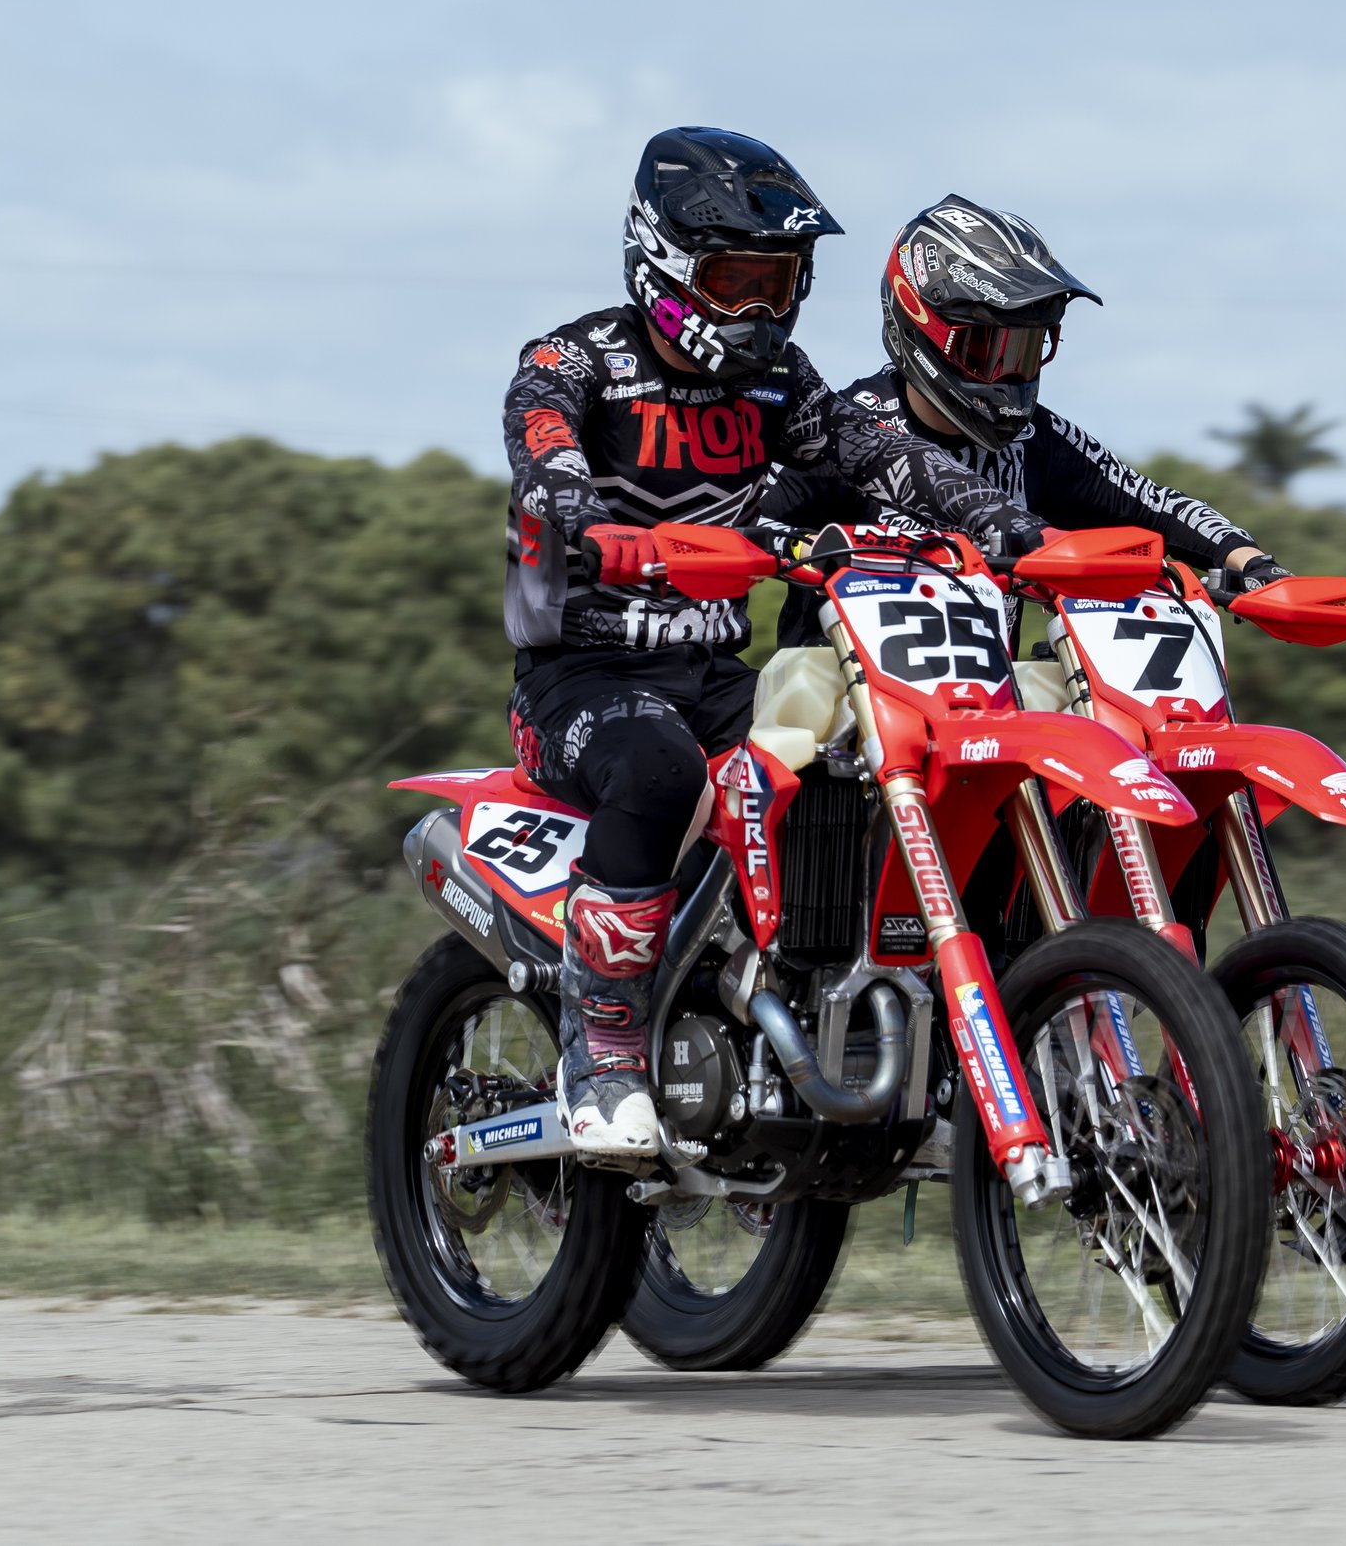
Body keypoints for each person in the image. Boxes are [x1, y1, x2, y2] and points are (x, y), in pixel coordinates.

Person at [504, 133, 1046, 1158]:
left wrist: (1005, 525)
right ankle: (603, 1047)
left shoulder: (781, 383)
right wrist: (591, 523)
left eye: (779, 282)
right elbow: (545, 463)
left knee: (847, 763)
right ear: (660, 262)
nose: (757, 309)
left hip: (711, 675)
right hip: (578, 680)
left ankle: (802, 1022)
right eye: (734, 281)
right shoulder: (568, 362)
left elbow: (876, 453)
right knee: (659, 769)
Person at [760, 195, 1289, 649]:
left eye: (1025, 350)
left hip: (993, 713)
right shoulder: (841, 432)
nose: (1006, 376)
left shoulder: (1039, 439)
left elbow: (1154, 504)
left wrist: (1251, 563)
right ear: (919, 323)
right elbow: (743, 519)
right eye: (986, 349)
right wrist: (799, 549)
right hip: (839, 710)